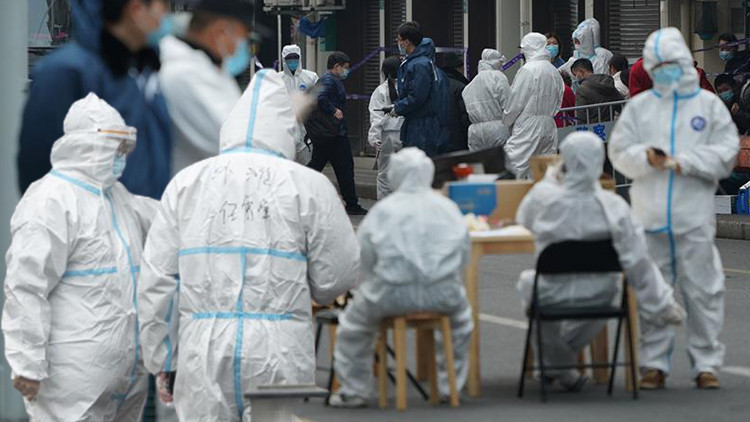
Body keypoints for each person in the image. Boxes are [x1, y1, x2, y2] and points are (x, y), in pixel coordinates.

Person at [137, 70, 360, 420]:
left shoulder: (186, 185)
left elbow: (157, 281)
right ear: (287, 130)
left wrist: (162, 357)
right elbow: (338, 275)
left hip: (203, 349)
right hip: (280, 348)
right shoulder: (309, 186)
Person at [2, 93, 157, 421]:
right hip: (71, 388)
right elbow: (26, 287)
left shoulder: (117, 197)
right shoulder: (51, 199)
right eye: (115, 147)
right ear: (89, 145)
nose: (121, 156)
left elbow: (165, 218)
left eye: (124, 148)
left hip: (126, 380)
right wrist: (27, 363)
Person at [609, 28, 740, 390]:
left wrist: (687, 163)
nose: (666, 70)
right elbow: (619, 150)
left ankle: (706, 364)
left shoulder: (707, 106)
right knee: (653, 293)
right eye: (659, 65)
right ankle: (654, 364)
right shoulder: (641, 108)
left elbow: (726, 152)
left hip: (693, 215)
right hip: (650, 215)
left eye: (671, 63)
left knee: (703, 290)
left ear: (684, 61)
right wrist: (646, 158)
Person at [516, 132, 685, 391]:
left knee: (529, 287)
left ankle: (556, 366)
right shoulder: (614, 206)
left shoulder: (543, 198)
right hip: (601, 292)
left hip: (550, 292)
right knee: (611, 292)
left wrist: (551, 179)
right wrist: (661, 302)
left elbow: (523, 220)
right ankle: (561, 367)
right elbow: (638, 259)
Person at [329, 148, 473, 408]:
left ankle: (355, 390)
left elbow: (365, 258)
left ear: (395, 174)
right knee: (461, 324)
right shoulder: (448, 208)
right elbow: (463, 254)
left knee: (353, 328)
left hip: (389, 295)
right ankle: (449, 385)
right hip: (442, 294)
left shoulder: (383, 211)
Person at [17, 0, 172, 199]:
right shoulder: (66, 72)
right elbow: (38, 168)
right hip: (91, 217)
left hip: (143, 214)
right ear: (136, 10)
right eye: (163, 5)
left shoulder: (140, 72)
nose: (166, 15)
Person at [160, 0, 253, 176]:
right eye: (243, 37)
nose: (241, 47)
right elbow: (234, 142)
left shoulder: (209, 69)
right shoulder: (184, 75)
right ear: (220, 31)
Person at [308, 52, 368, 215]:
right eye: (345, 68)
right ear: (336, 66)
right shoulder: (329, 80)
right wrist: (334, 110)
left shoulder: (329, 80)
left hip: (329, 133)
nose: (346, 71)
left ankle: (351, 203)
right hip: (334, 133)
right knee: (344, 169)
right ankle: (352, 204)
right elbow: (320, 97)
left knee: (318, 167)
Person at [503, 32, 564, 179]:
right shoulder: (553, 71)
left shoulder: (528, 69)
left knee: (513, 167)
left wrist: (506, 121)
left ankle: (510, 194)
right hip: (549, 125)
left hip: (528, 125)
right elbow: (559, 99)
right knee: (544, 171)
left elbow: (516, 102)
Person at [392, 22, 451, 157]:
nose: (398, 43)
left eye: (399, 39)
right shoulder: (423, 63)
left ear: (407, 42)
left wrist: (398, 107)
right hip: (425, 124)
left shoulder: (418, 65)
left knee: (417, 163)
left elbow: (417, 96)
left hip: (421, 127)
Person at [368, 57, 404, 199]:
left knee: (384, 175)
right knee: (404, 172)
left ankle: (384, 205)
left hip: (386, 136)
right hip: (404, 133)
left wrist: (374, 138)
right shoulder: (408, 87)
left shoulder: (380, 91)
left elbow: (376, 117)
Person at [462, 48, 511, 151]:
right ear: (495, 62)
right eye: (500, 62)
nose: (502, 65)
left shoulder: (471, 84)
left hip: (475, 132)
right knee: (499, 159)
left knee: (478, 160)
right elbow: (508, 105)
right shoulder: (498, 77)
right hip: (497, 129)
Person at [280, 44, 320, 165]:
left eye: (295, 58)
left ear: (300, 58)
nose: (292, 61)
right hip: (285, 130)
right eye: (289, 59)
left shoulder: (311, 77)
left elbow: (319, 101)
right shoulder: (277, 79)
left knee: (307, 167)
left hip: (306, 130)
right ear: (284, 60)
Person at [571, 58, 624, 123]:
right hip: (609, 125)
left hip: (592, 126)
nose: (576, 77)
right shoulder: (608, 83)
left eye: (575, 74)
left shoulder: (582, 90)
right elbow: (622, 105)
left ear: (581, 71)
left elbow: (580, 116)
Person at [440, 52, 471, 152]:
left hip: (439, 137)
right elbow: (464, 116)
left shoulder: (437, 84)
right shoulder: (460, 87)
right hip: (457, 138)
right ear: (459, 68)